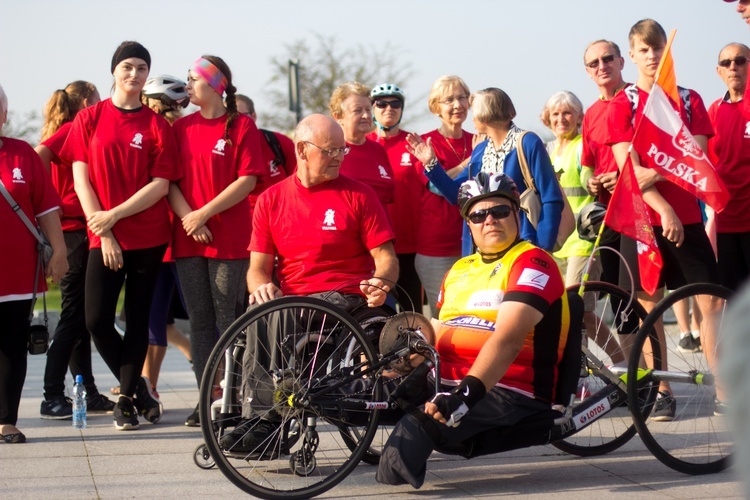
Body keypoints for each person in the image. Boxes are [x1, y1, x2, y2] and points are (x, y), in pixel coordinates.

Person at [218, 114, 398, 452]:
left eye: (342, 151)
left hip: (345, 297)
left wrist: (381, 281)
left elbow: (386, 258)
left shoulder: (359, 195)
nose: (338, 158)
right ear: (302, 149)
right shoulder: (271, 199)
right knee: (263, 306)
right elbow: (257, 269)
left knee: (283, 309)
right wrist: (261, 286)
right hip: (293, 300)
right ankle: (260, 416)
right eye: (330, 151)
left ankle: (269, 420)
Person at [376, 172, 568, 488]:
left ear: (516, 214)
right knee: (358, 399)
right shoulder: (459, 270)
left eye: (500, 211)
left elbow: (507, 339)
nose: (489, 219)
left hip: (507, 388)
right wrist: (402, 361)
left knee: (407, 440)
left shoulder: (533, 263)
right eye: (478, 214)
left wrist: (463, 396)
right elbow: (440, 329)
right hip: (444, 377)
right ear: (469, 225)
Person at [61, 41, 180, 431]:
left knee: (139, 320)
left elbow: (161, 185)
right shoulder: (90, 118)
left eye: (141, 68)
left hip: (147, 235)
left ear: (148, 75)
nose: (134, 74)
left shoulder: (156, 125)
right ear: (114, 70)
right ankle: (141, 391)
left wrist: (115, 214)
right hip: (103, 235)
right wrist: (105, 228)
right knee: (95, 318)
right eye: (127, 66)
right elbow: (81, 175)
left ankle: (126, 400)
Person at [607, 19, 720, 421]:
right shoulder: (624, 103)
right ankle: (662, 391)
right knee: (648, 309)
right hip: (643, 223)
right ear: (632, 55)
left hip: (689, 219)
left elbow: (698, 159)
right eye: (644, 50)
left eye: (658, 48)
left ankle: (724, 389)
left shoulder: (690, 100)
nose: (653, 56)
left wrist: (658, 170)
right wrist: (664, 205)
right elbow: (627, 170)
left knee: (712, 303)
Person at [169, 56, 265, 427]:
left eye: (193, 79)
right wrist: (189, 220)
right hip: (189, 238)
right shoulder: (181, 128)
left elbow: (247, 180)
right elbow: (171, 182)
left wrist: (203, 214)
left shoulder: (241, 126)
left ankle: (232, 401)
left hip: (228, 240)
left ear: (216, 85)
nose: (187, 85)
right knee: (200, 324)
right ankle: (203, 399)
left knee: (229, 321)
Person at [36, 81, 117, 419]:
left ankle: (88, 390)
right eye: (97, 100)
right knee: (73, 317)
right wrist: (44, 199)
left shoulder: (70, 129)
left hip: (77, 231)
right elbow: (38, 155)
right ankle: (51, 394)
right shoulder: (71, 128)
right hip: (71, 233)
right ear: (86, 101)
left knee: (81, 319)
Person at [413, 87, 562, 255]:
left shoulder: (527, 142)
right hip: (484, 247)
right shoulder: (481, 149)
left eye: (474, 113)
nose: (472, 119)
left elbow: (551, 198)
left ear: (484, 117)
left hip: (522, 244)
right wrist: (431, 164)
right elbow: (457, 195)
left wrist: (542, 247)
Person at [1, 82, 68, 442]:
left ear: (4, 114)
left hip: (16, 273)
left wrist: (59, 250)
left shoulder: (22, 154)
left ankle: (5, 420)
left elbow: (46, 207)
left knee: (12, 345)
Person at [540, 91, 622, 364]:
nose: (561, 119)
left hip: (583, 240)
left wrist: (593, 180)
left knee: (580, 311)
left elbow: (589, 175)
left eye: (567, 113)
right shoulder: (547, 150)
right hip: (556, 241)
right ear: (547, 118)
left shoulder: (581, 146)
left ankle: (622, 363)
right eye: (555, 114)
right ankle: (576, 372)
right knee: (563, 312)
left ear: (578, 117)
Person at [138, 75, 193, 410]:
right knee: (156, 320)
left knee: (159, 320)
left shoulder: (175, 135)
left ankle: (152, 388)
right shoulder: (152, 134)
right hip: (162, 238)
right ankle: (149, 387)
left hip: (178, 236)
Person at [410, 76, 474, 309]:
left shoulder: (476, 139)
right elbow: (437, 185)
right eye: (449, 100)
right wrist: (469, 162)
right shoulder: (426, 144)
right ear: (436, 107)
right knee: (446, 314)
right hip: (437, 250)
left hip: (474, 244)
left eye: (462, 98)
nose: (457, 105)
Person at [366, 83, 423, 312]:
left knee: (412, 311)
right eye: (381, 103)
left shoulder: (412, 143)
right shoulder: (364, 144)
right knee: (379, 310)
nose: (389, 108)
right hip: (375, 244)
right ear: (372, 109)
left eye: (395, 103)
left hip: (410, 242)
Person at [708, 43, 750, 292]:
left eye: (740, 60)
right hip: (725, 223)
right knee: (733, 300)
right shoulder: (712, 111)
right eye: (726, 63)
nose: (733, 67)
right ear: (719, 71)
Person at [329, 81, 394, 213]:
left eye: (368, 110)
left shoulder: (378, 150)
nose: (365, 115)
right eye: (357, 110)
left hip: (380, 230)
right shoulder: (328, 151)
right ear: (338, 117)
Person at [234, 94, 296, 219]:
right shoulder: (221, 152)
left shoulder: (279, 142)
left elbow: (299, 182)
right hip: (243, 221)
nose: (235, 123)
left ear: (254, 116)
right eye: (229, 118)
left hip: (280, 217)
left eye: (241, 117)